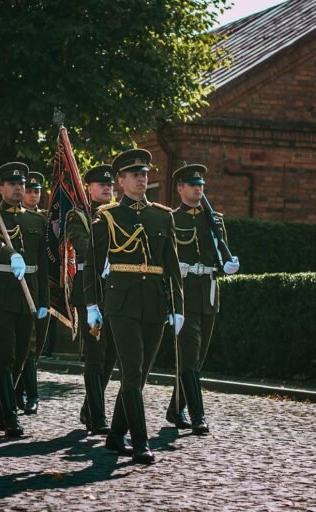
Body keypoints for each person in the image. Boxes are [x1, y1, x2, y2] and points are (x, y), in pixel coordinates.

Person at [84, 149, 184, 464]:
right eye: (135, 175)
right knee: (130, 371)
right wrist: (91, 305)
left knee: (140, 376)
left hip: (154, 301)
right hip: (121, 302)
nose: (142, 179)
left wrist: (177, 305)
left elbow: (172, 264)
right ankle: (140, 442)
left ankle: (115, 435)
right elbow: (92, 264)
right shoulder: (109, 215)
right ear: (122, 180)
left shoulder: (162, 215)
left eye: (144, 174)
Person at [0, 162, 49, 437]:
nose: (18, 187)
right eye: (12, 183)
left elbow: (42, 264)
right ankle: (9, 416)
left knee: (22, 356)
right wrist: (11, 254)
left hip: (28, 295)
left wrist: (44, 300)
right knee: (5, 355)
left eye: (21, 183)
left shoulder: (36, 221)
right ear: (0, 188)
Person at [168, 164, 239, 435]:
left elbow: (220, 255)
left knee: (198, 359)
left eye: (201, 185)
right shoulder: (172, 219)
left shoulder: (215, 220)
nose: (198, 189)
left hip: (208, 294)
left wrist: (227, 265)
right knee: (188, 357)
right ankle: (197, 415)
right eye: (192, 185)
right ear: (180, 188)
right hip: (184, 293)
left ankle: (175, 409)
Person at [66, 164, 118, 434]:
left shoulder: (119, 214)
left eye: (109, 184)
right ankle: (98, 418)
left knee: (111, 356)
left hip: (117, 291)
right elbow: (83, 246)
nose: (107, 188)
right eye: (100, 184)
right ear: (89, 187)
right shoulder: (79, 216)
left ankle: (89, 408)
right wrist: (109, 254)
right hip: (90, 292)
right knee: (96, 355)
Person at [14, 171, 46, 415]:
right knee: (15, 346)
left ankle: (29, 393)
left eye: (37, 191)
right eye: (30, 190)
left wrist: (45, 298)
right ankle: (19, 392)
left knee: (32, 344)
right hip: (10, 287)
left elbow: (45, 265)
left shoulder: (41, 221)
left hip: (33, 287)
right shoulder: (6, 219)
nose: (34, 195)